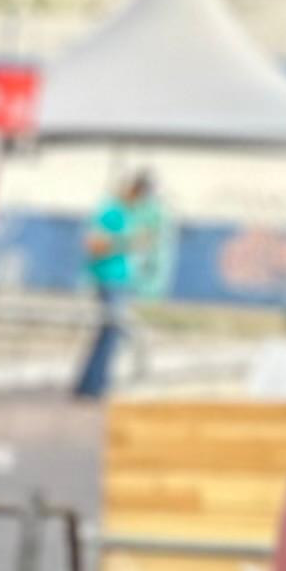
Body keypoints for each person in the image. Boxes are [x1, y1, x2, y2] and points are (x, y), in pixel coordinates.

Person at [73, 166, 161, 400]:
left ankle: (93, 384)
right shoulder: (110, 210)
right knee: (112, 332)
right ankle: (93, 386)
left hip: (121, 279)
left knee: (109, 335)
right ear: (132, 189)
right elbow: (95, 245)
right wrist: (128, 240)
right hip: (108, 279)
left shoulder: (128, 212)